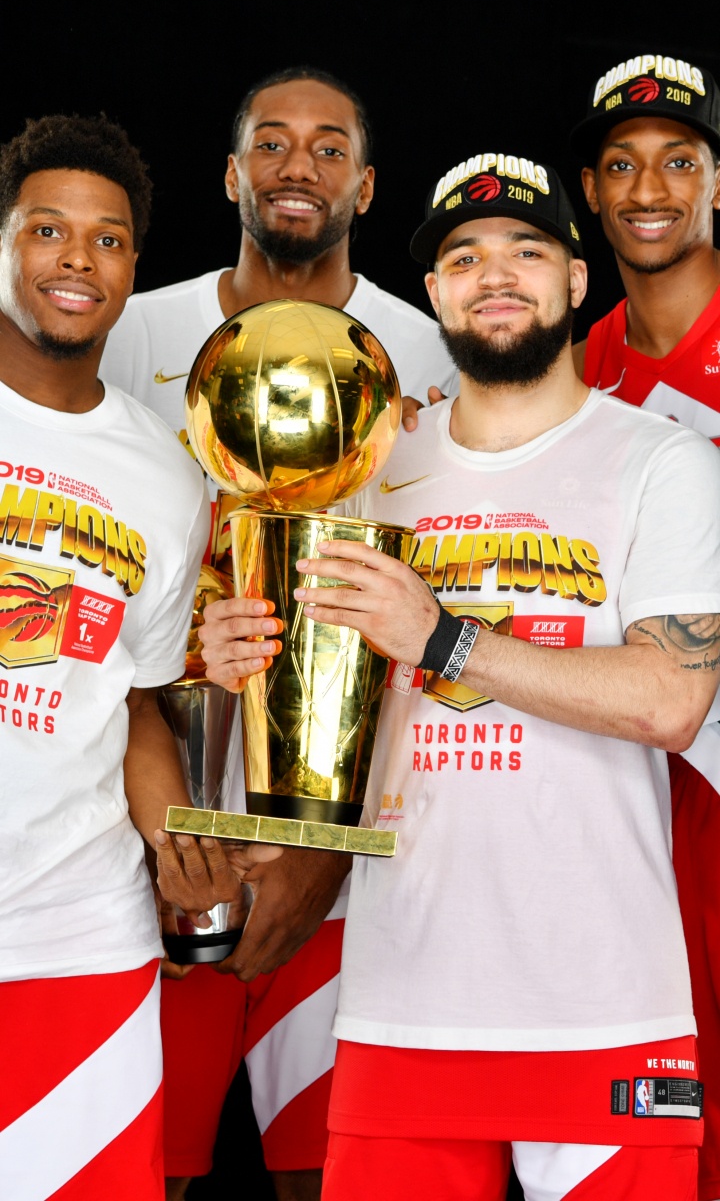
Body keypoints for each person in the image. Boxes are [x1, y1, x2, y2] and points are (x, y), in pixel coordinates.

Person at [193, 148, 720, 1199]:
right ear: (431, 291)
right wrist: (231, 662)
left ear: (578, 281)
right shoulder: (370, 465)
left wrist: (444, 638)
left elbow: (671, 697)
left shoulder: (663, 461)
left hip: (605, 1003)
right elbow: (303, 700)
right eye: (465, 255)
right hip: (403, 1003)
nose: (496, 273)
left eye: (528, 249)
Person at [102, 66, 455, 1201]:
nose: (297, 165)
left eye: (328, 147)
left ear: (363, 186)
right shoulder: (129, 329)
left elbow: (438, 610)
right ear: (230, 171)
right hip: (151, 833)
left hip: (347, 853)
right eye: (271, 142)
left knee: (336, 1171)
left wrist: (319, 844)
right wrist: (157, 827)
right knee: (142, 1166)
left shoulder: (429, 348)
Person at [0, 114, 226, 1199]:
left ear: (135, 267)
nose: (76, 258)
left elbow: (139, 699)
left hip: (77, 935)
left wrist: (179, 833)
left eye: (107, 238)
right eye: (48, 229)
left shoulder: (167, 478)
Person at [571, 51, 720, 1201]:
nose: (649, 187)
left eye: (678, 160)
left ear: (716, 180)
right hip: (635, 773)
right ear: (590, 189)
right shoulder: (583, 364)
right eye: (622, 165)